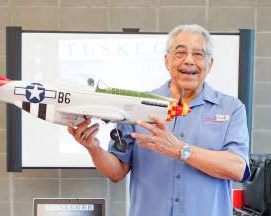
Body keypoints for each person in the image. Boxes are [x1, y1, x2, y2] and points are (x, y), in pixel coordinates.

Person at [67, 24, 250, 216]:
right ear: (167, 60)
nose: (189, 61)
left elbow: (237, 168)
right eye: (180, 53)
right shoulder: (136, 106)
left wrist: (181, 150)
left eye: (198, 54)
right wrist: (93, 148)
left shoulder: (232, 108)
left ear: (210, 64)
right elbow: (116, 172)